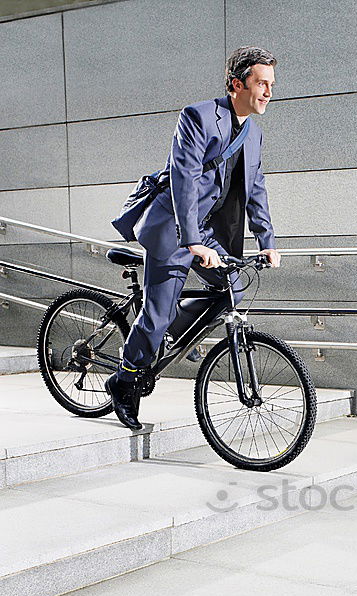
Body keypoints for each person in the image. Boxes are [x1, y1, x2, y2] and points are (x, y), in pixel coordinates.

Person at [106, 46, 282, 430]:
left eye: (271, 84)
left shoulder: (253, 133)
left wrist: (266, 240)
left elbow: (256, 188)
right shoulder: (198, 117)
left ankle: (169, 334)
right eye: (261, 83)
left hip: (204, 232)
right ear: (238, 84)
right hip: (173, 227)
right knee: (156, 315)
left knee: (232, 285)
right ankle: (123, 380)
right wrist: (192, 241)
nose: (268, 91)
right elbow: (183, 180)